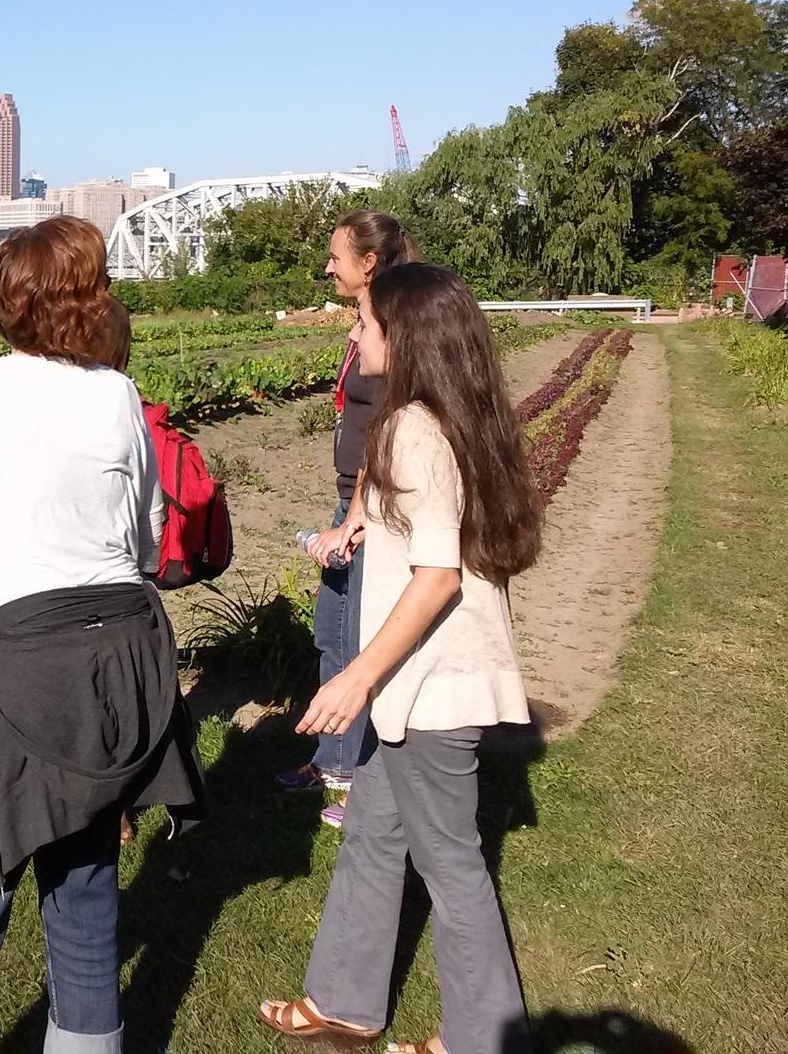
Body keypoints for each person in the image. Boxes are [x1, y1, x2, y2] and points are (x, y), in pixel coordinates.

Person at [0, 216, 206, 1054]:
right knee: (83, 895)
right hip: (119, 657)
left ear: (6, 300)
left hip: (22, 665)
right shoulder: (113, 393)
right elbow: (146, 539)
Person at [258, 263, 542, 1054]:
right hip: (415, 686)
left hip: (429, 688)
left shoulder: (416, 427)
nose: (353, 333)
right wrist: (362, 529)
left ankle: (485, 1039)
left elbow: (437, 578)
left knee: (451, 868)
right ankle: (346, 1003)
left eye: (365, 324)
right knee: (376, 837)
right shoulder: (454, 416)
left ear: (406, 336)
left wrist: (357, 675)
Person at [278, 209, 421, 829]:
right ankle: (334, 761)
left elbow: (383, 433)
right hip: (352, 502)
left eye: (337, 256)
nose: (328, 267)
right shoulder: (371, 320)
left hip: (372, 505)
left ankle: (364, 780)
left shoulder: (396, 323)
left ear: (370, 262)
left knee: (361, 640)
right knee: (334, 634)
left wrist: (355, 514)